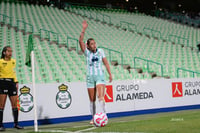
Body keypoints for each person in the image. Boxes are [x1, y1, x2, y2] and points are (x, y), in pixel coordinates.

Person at [79, 20, 113, 124]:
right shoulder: (87, 52)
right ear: (88, 46)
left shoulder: (101, 51)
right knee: (92, 100)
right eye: (92, 44)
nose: (94, 45)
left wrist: (110, 74)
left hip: (99, 76)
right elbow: (80, 41)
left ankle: (104, 115)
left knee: (100, 97)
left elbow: (106, 63)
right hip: (90, 77)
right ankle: (93, 118)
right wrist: (84, 29)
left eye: (94, 43)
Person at [0, 46, 23, 131]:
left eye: (11, 51)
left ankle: (16, 124)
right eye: (9, 51)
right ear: (4, 52)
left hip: (12, 83)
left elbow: (13, 72)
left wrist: (16, 82)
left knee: (15, 105)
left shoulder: (13, 61)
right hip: (2, 83)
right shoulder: (0, 62)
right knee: (1, 106)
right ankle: (0, 125)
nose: (10, 53)